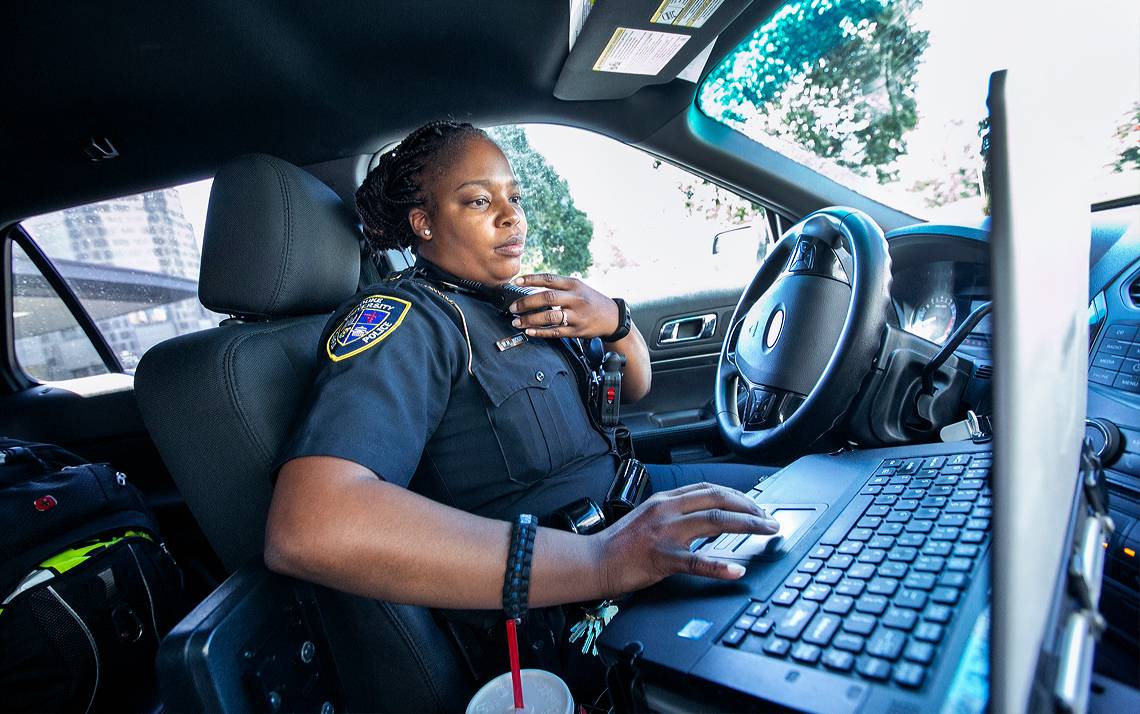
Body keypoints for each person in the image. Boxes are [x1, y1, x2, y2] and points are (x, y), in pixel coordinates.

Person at [265, 120, 779, 697]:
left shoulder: (524, 301)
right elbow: (309, 526)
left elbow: (634, 388)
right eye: (479, 200)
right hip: (573, 589)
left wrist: (616, 319)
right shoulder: (406, 323)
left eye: (514, 196)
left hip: (634, 504)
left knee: (803, 499)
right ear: (423, 222)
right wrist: (602, 561)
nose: (510, 216)